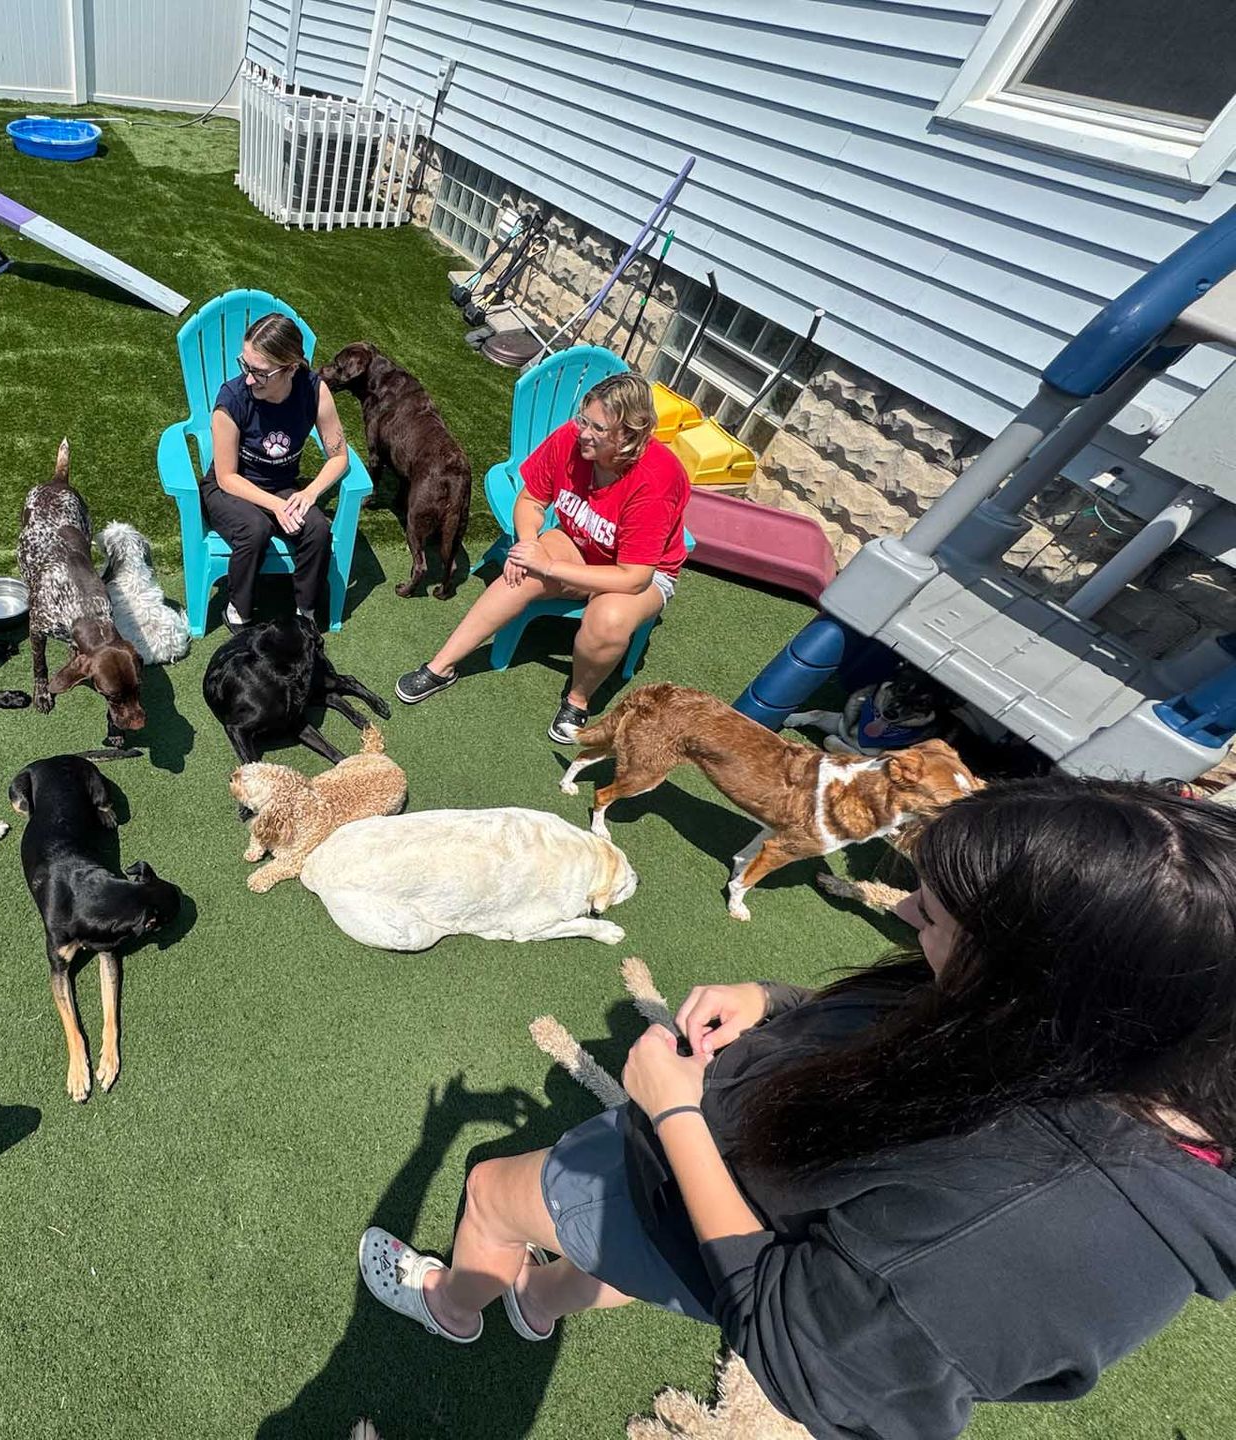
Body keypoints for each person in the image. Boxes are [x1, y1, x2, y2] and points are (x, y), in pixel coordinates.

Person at [356, 777, 1236, 1440]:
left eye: (933, 915)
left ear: (1031, 975)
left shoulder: (1057, 1219)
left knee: (491, 1193)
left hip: (683, 1174)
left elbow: (815, 1367)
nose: (902, 908)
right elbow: (925, 1038)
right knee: (632, 1261)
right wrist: (774, 1002)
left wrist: (675, 1117)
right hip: (705, 1211)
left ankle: (453, 1305)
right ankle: (538, 1301)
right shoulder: (1115, 1038)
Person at [394, 371, 689, 744]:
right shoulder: (570, 439)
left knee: (608, 620)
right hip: (580, 543)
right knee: (520, 571)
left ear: (628, 435)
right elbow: (532, 500)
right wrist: (529, 545)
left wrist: (549, 565)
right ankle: (441, 666)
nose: (583, 433)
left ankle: (577, 700)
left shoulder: (656, 479)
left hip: (640, 574)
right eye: (583, 419)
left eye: (598, 428)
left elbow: (633, 577)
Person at [203, 314, 350, 629]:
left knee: (317, 528)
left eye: (260, 372)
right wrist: (277, 506)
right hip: (231, 488)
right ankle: (238, 611)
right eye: (245, 365)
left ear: (291, 368)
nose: (249, 379)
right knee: (255, 529)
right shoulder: (232, 399)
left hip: (282, 484)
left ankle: (305, 614)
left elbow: (339, 457)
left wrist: (309, 493)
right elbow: (227, 477)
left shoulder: (314, 391)